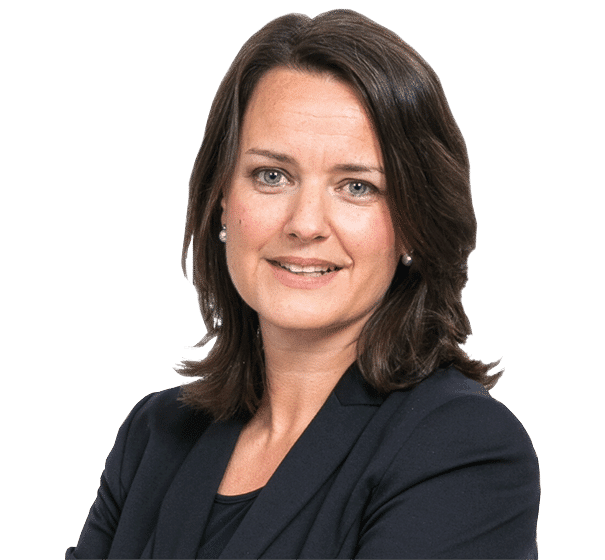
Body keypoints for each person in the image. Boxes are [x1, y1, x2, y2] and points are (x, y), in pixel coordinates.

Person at [67, 9, 540, 559]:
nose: (305, 224)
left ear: (414, 222)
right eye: (272, 176)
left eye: (357, 186)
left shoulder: (463, 448)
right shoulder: (157, 435)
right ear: (222, 200)